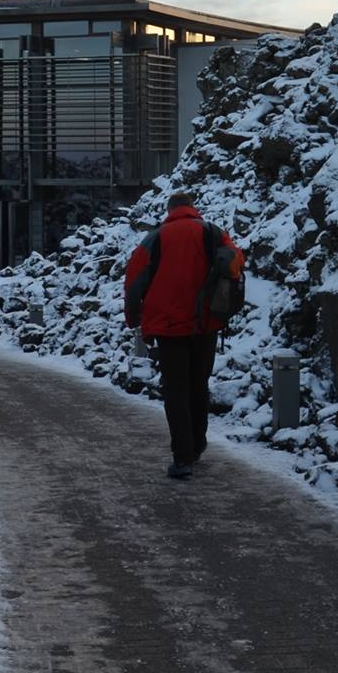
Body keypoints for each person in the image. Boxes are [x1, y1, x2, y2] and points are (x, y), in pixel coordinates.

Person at [122, 194, 242, 480]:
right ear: (192, 208)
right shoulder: (213, 232)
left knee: (175, 391)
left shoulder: (156, 238)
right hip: (206, 324)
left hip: (168, 327)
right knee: (198, 385)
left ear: (170, 210)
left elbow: (134, 279)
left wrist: (133, 318)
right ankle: (198, 444)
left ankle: (183, 457)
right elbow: (236, 261)